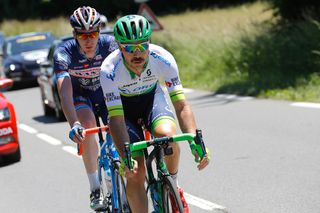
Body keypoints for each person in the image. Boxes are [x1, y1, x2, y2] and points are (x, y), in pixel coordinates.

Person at [100, 14, 210, 213]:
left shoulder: (163, 58)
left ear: (150, 42)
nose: (137, 53)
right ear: (118, 46)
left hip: (152, 100)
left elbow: (181, 106)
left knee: (168, 136)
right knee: (135, 171)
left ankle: (172, 185)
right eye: (129, 48)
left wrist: (194, 139)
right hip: (124, 112)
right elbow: (115, 118)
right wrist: (126, 156)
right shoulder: (109, 69)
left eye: (142, 45)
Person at [53, 6, 117, 211]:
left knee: (119, 127)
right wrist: (74, 124)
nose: (88, 40)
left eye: (93, 34)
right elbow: (64, 92)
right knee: (87, 126)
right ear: (74, 34)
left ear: (100, 31)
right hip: (82, 97)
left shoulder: (110, 45)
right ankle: (95, 188)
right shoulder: (64, 52)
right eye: (82, 35)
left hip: (106, 95)